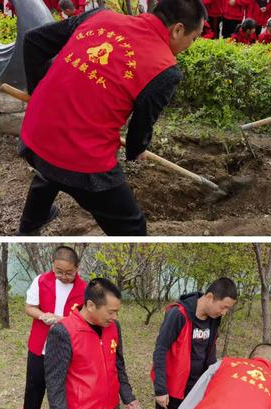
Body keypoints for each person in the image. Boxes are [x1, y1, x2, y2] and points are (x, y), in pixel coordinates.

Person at [17, 0, 206, 236]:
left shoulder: (98, 16)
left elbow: (33, 41)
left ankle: (29, 226)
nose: (191, 44)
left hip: (35, 135)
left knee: (49, 170)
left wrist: (38, 93)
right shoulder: (165, 69)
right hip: (83, 160)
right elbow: (140, 127)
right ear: (177, 29)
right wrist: (138, 149)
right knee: (133, 227)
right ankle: (32, 223)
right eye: (194, 37)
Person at [45, 278, 138, 409]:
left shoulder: (114, 327)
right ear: (90, 305)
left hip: (110, 408)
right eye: (110, 312)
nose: (114, 317)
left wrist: (127, 395)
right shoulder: (63, 331)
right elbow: (54, 380)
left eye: (117, 312)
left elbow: (118, 363)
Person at [147, 277, 237, 409]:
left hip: (197, 387)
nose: (223, 312)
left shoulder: (214, 319)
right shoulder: (178, 315)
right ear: (210, 297)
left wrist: (212, 383)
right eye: (223, 307)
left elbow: (210, 350)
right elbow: (160, 350)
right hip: (172, 387)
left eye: (227, 309)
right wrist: (160, 389)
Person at [13, 246, 86, 409]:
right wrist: (43, 315)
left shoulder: (84, 289)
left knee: (68, 385)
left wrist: (60, 319)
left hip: (67, 347)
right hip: (39, 344)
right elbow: (29, 308)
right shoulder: (41, 280)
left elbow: (84, 319)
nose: (63, 276)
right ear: (52, 266)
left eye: (69, 273)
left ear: (77, 268)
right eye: (59, 271)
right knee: (34, 385)